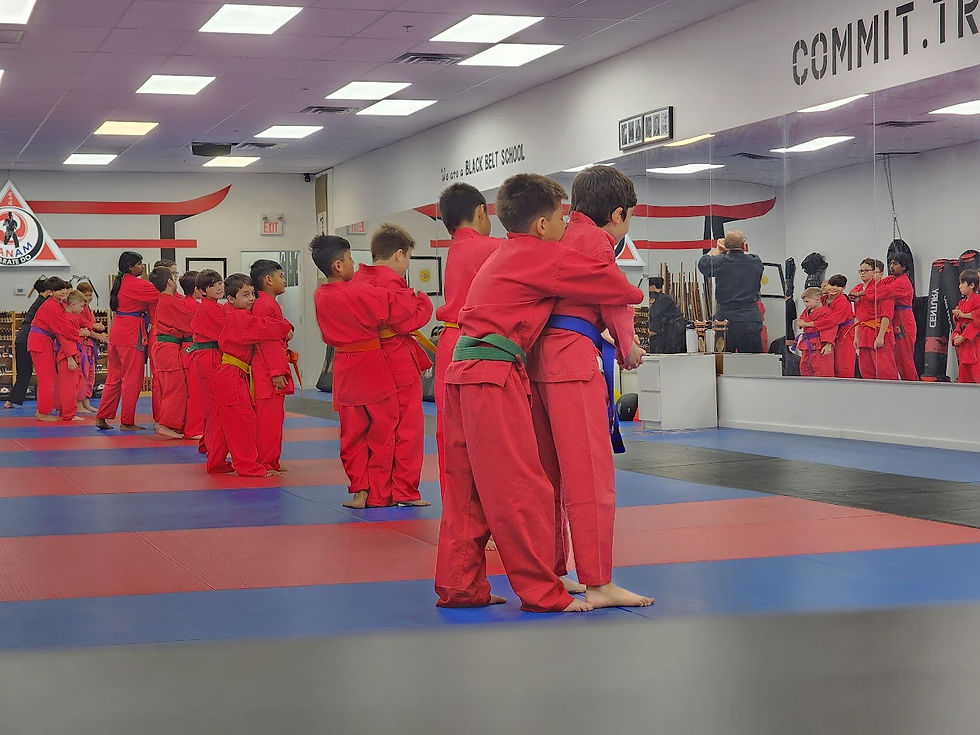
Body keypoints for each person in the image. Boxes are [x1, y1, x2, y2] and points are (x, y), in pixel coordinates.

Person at [434, 173, 644, 614]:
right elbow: (617, 290)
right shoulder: (548, 250)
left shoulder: (504, 251)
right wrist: (628, 342)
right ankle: (556, 590)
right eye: (558, 219)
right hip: (507, 370)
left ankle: (464, 585)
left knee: (470, 487)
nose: (564, 225)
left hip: (472, 365)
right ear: (542, 224)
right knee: (527, 487)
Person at [526, 164, 652, 609]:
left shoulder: (556, 233)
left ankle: (554, 571)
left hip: (536, 359)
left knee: (548, 476)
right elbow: (613, 295)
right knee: (591, 476)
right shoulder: (595, 240)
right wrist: (628, 346)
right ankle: (598, 582)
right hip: (570, 362)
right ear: (617, 214)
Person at [311, 235, 426, 508]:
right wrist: (422, 299)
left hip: (344, 368)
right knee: (383, 433)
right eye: (350, 259)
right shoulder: (358, 293)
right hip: (373, 367)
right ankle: (380, 494)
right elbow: (400, 307)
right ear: (338, 265)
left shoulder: (321, 296)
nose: (354, 264)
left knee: (352, 435)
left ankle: (360, 491)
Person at [351, 225, 434, 507]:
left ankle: (375, 492)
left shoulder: (357, 279)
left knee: (374, 427)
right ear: (399, 254)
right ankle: (404, 491)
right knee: (407, 427)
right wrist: (423, 303)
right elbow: (404, 321)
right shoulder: (391, 282)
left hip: (364, 360)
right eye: (408, 258)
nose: (407, 264)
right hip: (395, 359)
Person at [434, 183, 501, 496]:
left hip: (449, 343)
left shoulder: (455, 249)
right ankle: (485, 515)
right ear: (480, 212)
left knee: (451, 438)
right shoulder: (493, 248)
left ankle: (455, 514)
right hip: (477, 346)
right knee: (486, 437)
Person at [213, 273, 293, 477]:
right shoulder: (239, 317)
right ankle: (247, 465)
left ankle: (216, 462)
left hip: (231, 373)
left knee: (225, 421)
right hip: (232, 375)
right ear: (231, 299)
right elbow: (263, 328)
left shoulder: (233, 312)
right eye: (245, 295)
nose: (251, 299)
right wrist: (286, 327)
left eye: (252, 294)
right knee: (243, 421)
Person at [96, 252, 161, 431]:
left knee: (114, 378)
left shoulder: (121, 282)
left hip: (117, 332)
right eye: (139, 264)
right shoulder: (139, 285)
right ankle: (127, 421)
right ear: (131, 267)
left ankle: (102, 416)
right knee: (132, 379)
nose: (142, 267)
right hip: (131, 334)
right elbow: (162, 296)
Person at [249, 259, 295, 473]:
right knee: (268, 419)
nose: (284, 280)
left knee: (274, 418)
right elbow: (267, 341)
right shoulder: (265, 305)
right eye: (281, 276)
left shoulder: (268, 303)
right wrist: (276, 372)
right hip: (266, 369)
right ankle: (264, 462)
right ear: (269, 279)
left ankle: (271, 460)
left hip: (268, 365)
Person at [26, 278, 86, 422]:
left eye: (64, 288)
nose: (63, 291)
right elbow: (63, 329)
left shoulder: (58, 304)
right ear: (50, 292)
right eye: (59, 290)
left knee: (49, 378)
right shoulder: (51, 306)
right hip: (40, 341)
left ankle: (42, 410)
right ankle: (43, 412)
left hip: (43, 341)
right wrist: (79, 333)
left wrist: (89, 327)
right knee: (47, 379)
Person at [189, 270, 230, 472]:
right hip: (210, 357)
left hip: (206, 356)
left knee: (211, 406)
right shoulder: (210, 309)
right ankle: (216, 458)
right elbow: (230, 330)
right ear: (202, 290)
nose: (219, 287)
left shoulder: (211, 307)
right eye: (213, 285)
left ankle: (207, 445)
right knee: (216, 408)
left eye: (220, 282)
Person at [697, 230, 765, 353]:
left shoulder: (720, 262)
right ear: (743, 244)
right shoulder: (755, 261)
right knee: (752, 360)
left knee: (724, 360)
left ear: (726, 245)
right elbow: (745, 258)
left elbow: (703, 264)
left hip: (726, 319)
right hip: (749, 318)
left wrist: (718, 249)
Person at [149, 266, 194, 439]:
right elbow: (190, 319)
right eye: (174, 277)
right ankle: (165, 424)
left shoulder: (166, 300)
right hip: (167, 348)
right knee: (176, 388)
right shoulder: (169, 301)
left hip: (166, 347)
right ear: (169, 281)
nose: (176, 280)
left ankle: (168, 423)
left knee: (171, 387)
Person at [5, 278, 50, 409]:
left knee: (25, 371)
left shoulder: (39, 301)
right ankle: (12, 401)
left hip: (23, 337)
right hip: (28, 338)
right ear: (48, 290)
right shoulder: (43, 303)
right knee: (27, 371)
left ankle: (11, 401)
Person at [850, 258, 897, 380]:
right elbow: (857, 315)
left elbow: (886, 315)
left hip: (878, 331)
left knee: (885, 369)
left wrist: (881, 336)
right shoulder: (858, 290)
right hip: (863, 333)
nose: (862, 273)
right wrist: (856, 336)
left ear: (875, 272)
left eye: (866, 270)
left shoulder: (883, 289)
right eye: (861, 271)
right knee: (865, 370)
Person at [875, 253, 919, 381]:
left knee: (904, 357)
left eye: (895, 264)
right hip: (896, 318)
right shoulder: (891, 279)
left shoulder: (903, 282)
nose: (891, 266)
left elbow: (882, 291)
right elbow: (877, 286)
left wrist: (862, 293)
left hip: (903, 320)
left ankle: (912, 384)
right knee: (896, 357)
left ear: (903, 267)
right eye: (890, 263)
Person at [71, 281, 107, 414]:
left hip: (89, 344)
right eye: (85, 295)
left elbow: (89, 326)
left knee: (90, 374)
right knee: (83, 374)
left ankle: (86, 401)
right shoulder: (79, 309)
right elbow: (84, 327)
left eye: (90, 295)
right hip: (82, 345)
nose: (88, 298)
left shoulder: (88, 309)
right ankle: (79, 402)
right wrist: (99, 335)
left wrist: (97, 328)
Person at [178, 271, 205, 442]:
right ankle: (194, 428)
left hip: (188, 349)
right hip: (192, 349)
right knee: (196, 392)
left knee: (192, 391)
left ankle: (191, 426)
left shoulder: (185, 303)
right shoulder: (194, 306)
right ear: (197, 289)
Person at [55, 290, 89, 422]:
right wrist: (70, 357)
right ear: (73, 304)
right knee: (69, 386)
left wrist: (83, 331)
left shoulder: (71, 316)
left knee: (72, 384)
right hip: (67, 355)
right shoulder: (65, 318)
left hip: (72, 354)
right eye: (81, 306)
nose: (82, 309)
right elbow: (64, 339)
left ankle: (65, 411)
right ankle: (69, 414)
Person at [796, 287, 836, 377]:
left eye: (807, 302)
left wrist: (828, 344)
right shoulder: (807, 310)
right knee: (804, 368)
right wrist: (800, 322)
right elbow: (801, 320)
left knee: (823, 370)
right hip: (807, 344)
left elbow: (831, 328)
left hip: (820, 344)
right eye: (804, 302)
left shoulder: (826, 312)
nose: (805, 304)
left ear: (817, 300)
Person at [823, 275, 856, 378]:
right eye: (832, 285)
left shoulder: (843, 302)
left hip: (845, 334)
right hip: (827, 333)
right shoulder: (822, 299)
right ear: (827, 285)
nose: (834, 288)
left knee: (844, 365)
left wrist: (812, 323)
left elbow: (834, 320)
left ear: (844, 288)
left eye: (838, 286)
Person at [952, 269, 980, 383]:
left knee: (977, 373)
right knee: (964, 375)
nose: (960, 286)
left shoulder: (977, 300)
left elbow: (976, 323)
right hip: (964, 347)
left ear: (971, 285)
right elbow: (959, 323)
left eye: (962, 283)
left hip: (975, 343)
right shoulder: (961, 303)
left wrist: (963, 336)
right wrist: (956, 335)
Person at [648, 276, 686, 353]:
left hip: (676, 328)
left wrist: (652, 330)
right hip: (670, 327)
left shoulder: (663, 299)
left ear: (653, 287)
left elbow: (655, 314)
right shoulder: (660, 298)